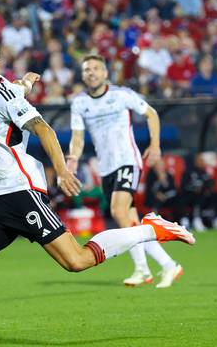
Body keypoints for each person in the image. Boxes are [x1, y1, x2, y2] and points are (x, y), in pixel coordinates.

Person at [0, 37, 195, 346]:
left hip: (20, 194)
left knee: (77, 261)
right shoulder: (3, 91)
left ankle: (151, 229)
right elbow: (18, 90)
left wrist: (64, 170)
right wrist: (26, 82)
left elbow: (43, 128)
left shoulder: (3, 96)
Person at [67, 54, 184, 289]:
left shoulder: (121, 95)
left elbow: (151, 113)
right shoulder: (80, 103)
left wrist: (155, 144)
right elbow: (78, 138)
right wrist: (72, 160)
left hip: (127, 160)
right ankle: (168, 264)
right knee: (130, 221)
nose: (91, 72)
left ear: (105, 73)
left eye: (96, 68)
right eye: (87, 69)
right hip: (107, 167)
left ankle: (143, 269)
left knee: (118, 212)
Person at [180, 154, 217, 232]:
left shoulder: (204, 172)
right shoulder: (188, 171)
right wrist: (195, 189)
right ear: (196, 162)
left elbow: (210, 183)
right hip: (191, 194)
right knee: (192, 197)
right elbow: (184, 186)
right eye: (200, 161)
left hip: (204, 194)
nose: (202, 163)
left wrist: (207, 189)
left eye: (203, 161)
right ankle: (195, 220)